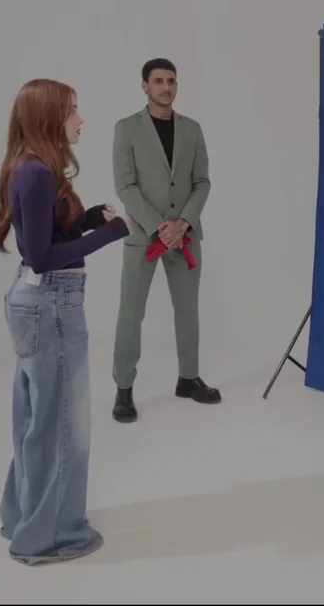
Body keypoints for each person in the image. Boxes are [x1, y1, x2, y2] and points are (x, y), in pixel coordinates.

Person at [0, 78, 131, 565]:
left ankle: (22, 517)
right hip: (51, 304)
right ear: (50, 118)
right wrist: (111, 233)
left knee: (38, 421)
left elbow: (40, 238)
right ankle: (50, 537)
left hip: (35, 302)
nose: (80, 120)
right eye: (72, 111)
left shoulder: (29, 168)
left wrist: (87, 219)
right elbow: (43, 256)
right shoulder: (37, 173)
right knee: (63, 425)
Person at [110, 58, 220, 423]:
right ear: (145, 86)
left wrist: (184, 223)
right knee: (131, 312)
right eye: (158, 81)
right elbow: (125, 185)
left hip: (185, 237)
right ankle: (124, 388)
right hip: (145, 236)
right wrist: (160, 226)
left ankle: (188, 378)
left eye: (171, 80)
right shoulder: (127, 128)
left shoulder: (192, 129)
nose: (166, 87)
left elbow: (202, 182)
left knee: (188, 310)